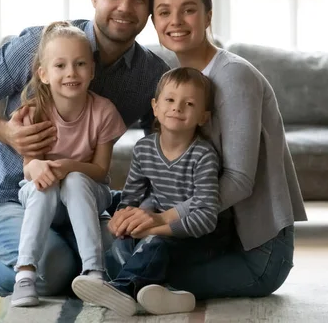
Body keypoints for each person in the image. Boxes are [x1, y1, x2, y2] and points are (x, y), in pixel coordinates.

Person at [0, 0, 169, 296]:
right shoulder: (39, 46)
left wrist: (148, 210)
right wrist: (8, 133)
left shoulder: (151, 75)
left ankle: (63, 249)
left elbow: (163, 150)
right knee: (54, 272)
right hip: (7, 196)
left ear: (148, 9)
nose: (124, 8)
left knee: (122, 261)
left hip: (78, 200)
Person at [106, 0, 308, 305]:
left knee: (128, 269)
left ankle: (156, 292)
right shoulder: (179, 83)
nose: (177, 21)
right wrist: (138, 214)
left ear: (208, 16)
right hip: (206, 233)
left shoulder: (234, 76)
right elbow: (162, 173)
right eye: (165, 12)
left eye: (188, 10)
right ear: (154, 22)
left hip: (255, 251)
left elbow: (240, 181)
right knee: (117, 241)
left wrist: (159, 220)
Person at [72, 67, 231, 316]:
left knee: (154, 244)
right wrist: (123, 219)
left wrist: (155, 229)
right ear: (155, 107)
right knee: (122, 243)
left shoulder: (204, 156)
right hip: (160, 227)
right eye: (169, 100)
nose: (177, 108)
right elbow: (132, 197)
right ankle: (161, 294)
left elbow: (207, 217)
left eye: (188, 103)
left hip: (202, 237)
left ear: (203, 116)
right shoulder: (144, 148)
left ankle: (122, 290)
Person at [10, 21, 126, 307]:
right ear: (44, 74)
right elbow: (29, 166)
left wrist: (67, 166)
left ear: (92, 70)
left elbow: (100, 171)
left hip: (87, 195)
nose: (71, 73)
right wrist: (37, 167)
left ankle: (94, 273)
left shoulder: (104, 111)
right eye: (60, 66)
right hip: (44, 195)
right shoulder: (35, 112)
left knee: (73, 181)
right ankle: (25, 274)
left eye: (80, 64)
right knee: (41, 185)